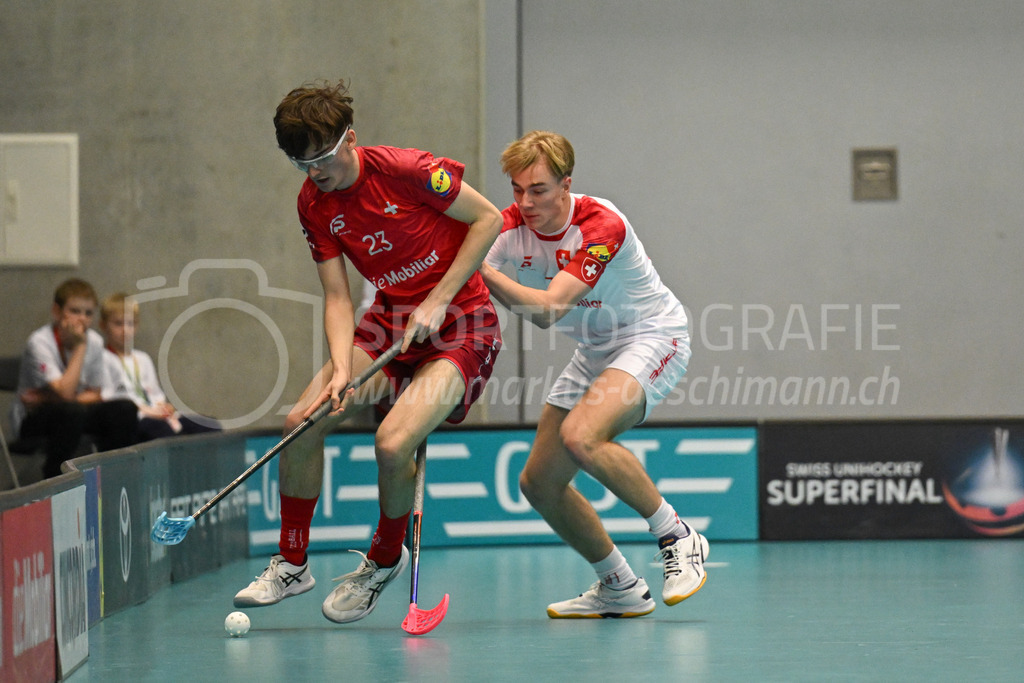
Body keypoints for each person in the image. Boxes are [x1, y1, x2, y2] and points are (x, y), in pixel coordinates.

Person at [233, 79, 503, 624]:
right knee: (301, 421)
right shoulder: (314, 202)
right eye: (301, 162)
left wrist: (439, 298)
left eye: (325, 157)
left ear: (350, 137)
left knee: (392, 441)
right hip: (386, 325)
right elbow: (336, 296)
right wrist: (338, 369)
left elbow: (489, 219)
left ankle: (383, 561)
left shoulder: (407, 170)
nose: (316, 171)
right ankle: (292, 564)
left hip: (462, 326)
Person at [480, 130, 707, 618]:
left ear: (566, 184)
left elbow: (548, 310)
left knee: (581, 435)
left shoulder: (601, 224)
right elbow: (463, 265)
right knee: (538, 483)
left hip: (651, 336)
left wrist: (479, 272)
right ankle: (619, 585)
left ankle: (678, 535)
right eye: (517, 190)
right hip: (595, 349)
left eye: (538, 189)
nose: (525, 202)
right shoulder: (506, 227)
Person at [11, 278, 139, 479]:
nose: (82, 319)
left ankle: (114, 476)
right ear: (57, 311)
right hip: (32, 419)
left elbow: (96, 394)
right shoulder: (40, 342)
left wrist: (48, 397)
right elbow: (67, 392)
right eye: (75, 311)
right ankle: (55, 478)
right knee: (71, 411)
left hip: (71, 413)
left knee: (124, 409)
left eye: (88, 313)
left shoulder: (95, 341)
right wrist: (80, 346)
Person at [99, 292, 221, 441]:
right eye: (118, 323)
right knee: (165, 433)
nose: (125, 330)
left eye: (130, 323)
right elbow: (110, 399)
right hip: (138, 419)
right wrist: (149, 411)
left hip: (158, 415)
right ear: (103, 325)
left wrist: (165, 407)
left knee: (210, 426)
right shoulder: (102, 358)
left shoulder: (142, 358)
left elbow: (155, 394)